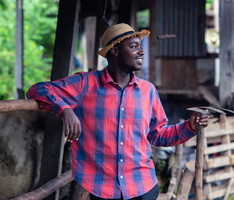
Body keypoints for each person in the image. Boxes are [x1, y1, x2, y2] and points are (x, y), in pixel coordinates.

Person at [27, 23, 209, 200]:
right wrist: (65, 110)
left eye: (140, 46)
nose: (142, 51)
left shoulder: (148, 91)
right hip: (102, 190)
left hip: (143, 187)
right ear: (114, 50)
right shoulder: (85, 84)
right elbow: (38, 89)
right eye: (134, 46)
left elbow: (158, 135)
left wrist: (189, 127)